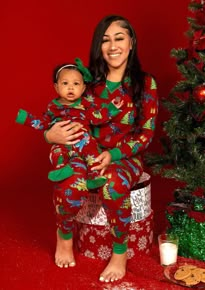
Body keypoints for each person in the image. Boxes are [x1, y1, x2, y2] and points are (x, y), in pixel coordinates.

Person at [45, 15, 159, 282]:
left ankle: (119, 252)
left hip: (124, 156)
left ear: (131, 42)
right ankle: (64, 235)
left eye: (119, 38)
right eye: (105, 40)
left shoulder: (145, 83)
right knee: (72, 181)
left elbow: (146, 133)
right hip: (80, 150)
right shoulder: (86, 81)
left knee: (112, 182)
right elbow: (61, 112)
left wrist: (114, 155)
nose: (112, 46)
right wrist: (50, 136)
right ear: (99, 46)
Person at [16, 58, 124, 190]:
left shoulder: (85, 105)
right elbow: (44, 123)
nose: (71, 87)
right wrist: (26, 118)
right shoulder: (53, 107)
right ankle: (61, 169)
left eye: (76, 84)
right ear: (56, 87)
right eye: (65, 83)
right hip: (63, 143)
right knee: (56, 152)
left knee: (93, 152)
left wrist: (112, 108)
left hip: (83, 141)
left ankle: (94, 177)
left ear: (83, 88)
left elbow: (97, 118)